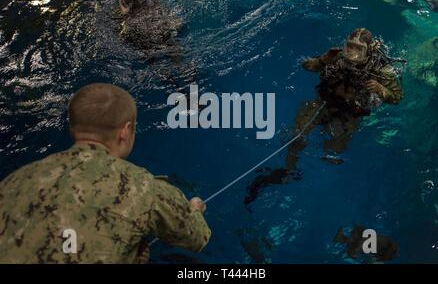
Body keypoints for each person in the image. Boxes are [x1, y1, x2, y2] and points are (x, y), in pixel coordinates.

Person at [0, 83, 211, 264]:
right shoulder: (143, 187)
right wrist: (194, 209)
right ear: (125, 131)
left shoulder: (13, 182)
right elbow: (196, 237)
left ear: (73, 128)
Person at [244, 28, 404, 208]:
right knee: (297, 135)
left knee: (333, 152)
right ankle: (288, 169)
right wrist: (323, 60)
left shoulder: (381, 69)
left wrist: (381, 89)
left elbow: (397, 97)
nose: (352, 52)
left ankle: (320, 188)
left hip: (350, 112)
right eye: (350, 46)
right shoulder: (336, 56)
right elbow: (306, 66)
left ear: (368, 50)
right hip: (323, 102)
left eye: (358, 48)